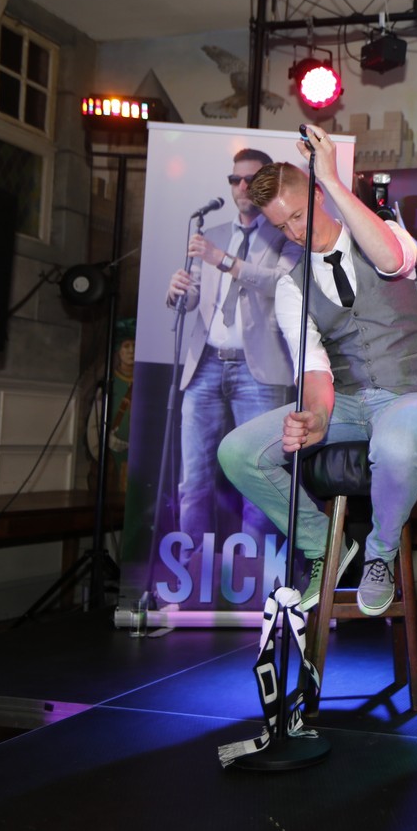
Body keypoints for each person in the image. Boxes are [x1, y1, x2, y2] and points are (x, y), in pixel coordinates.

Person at [218, 126, 417, 615]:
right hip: (345, 402)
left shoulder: (384, 235)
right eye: (281, 227)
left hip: (410, 396)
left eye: (298, 216)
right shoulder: (291, 286)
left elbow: (391, 260)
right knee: (236, 451)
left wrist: (333, 178)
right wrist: (318, 417)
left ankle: (380, 555)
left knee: (395, 445)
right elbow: (314, 368)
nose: (295, 233)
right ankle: (324, 544)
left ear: (317, 195)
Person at [165, 148, 300, 569]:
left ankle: (252, 575)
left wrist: (223, 260)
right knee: (193, 478)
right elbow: (194, 298)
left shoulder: (284, 233)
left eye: (250, 179)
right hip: (205, 363)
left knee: (256, 474)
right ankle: (190, 572)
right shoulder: (214, 233)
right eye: (234, 179)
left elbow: (280, 284)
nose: (241, 186)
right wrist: (178, 291)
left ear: (267, 184)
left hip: (258, 369)